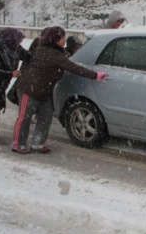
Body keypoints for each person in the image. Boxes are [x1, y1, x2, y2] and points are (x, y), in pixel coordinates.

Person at [11, 26, 108, 154]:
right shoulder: (52, 53)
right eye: (62, 38)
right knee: (25, 118)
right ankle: (19, 144)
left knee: (46, 116)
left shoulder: (53, 51)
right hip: (29, 90)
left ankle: (38, 143)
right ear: (55, 39)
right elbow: (73, 67)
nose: (64, 40)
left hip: (44, 91)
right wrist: (95, 75)